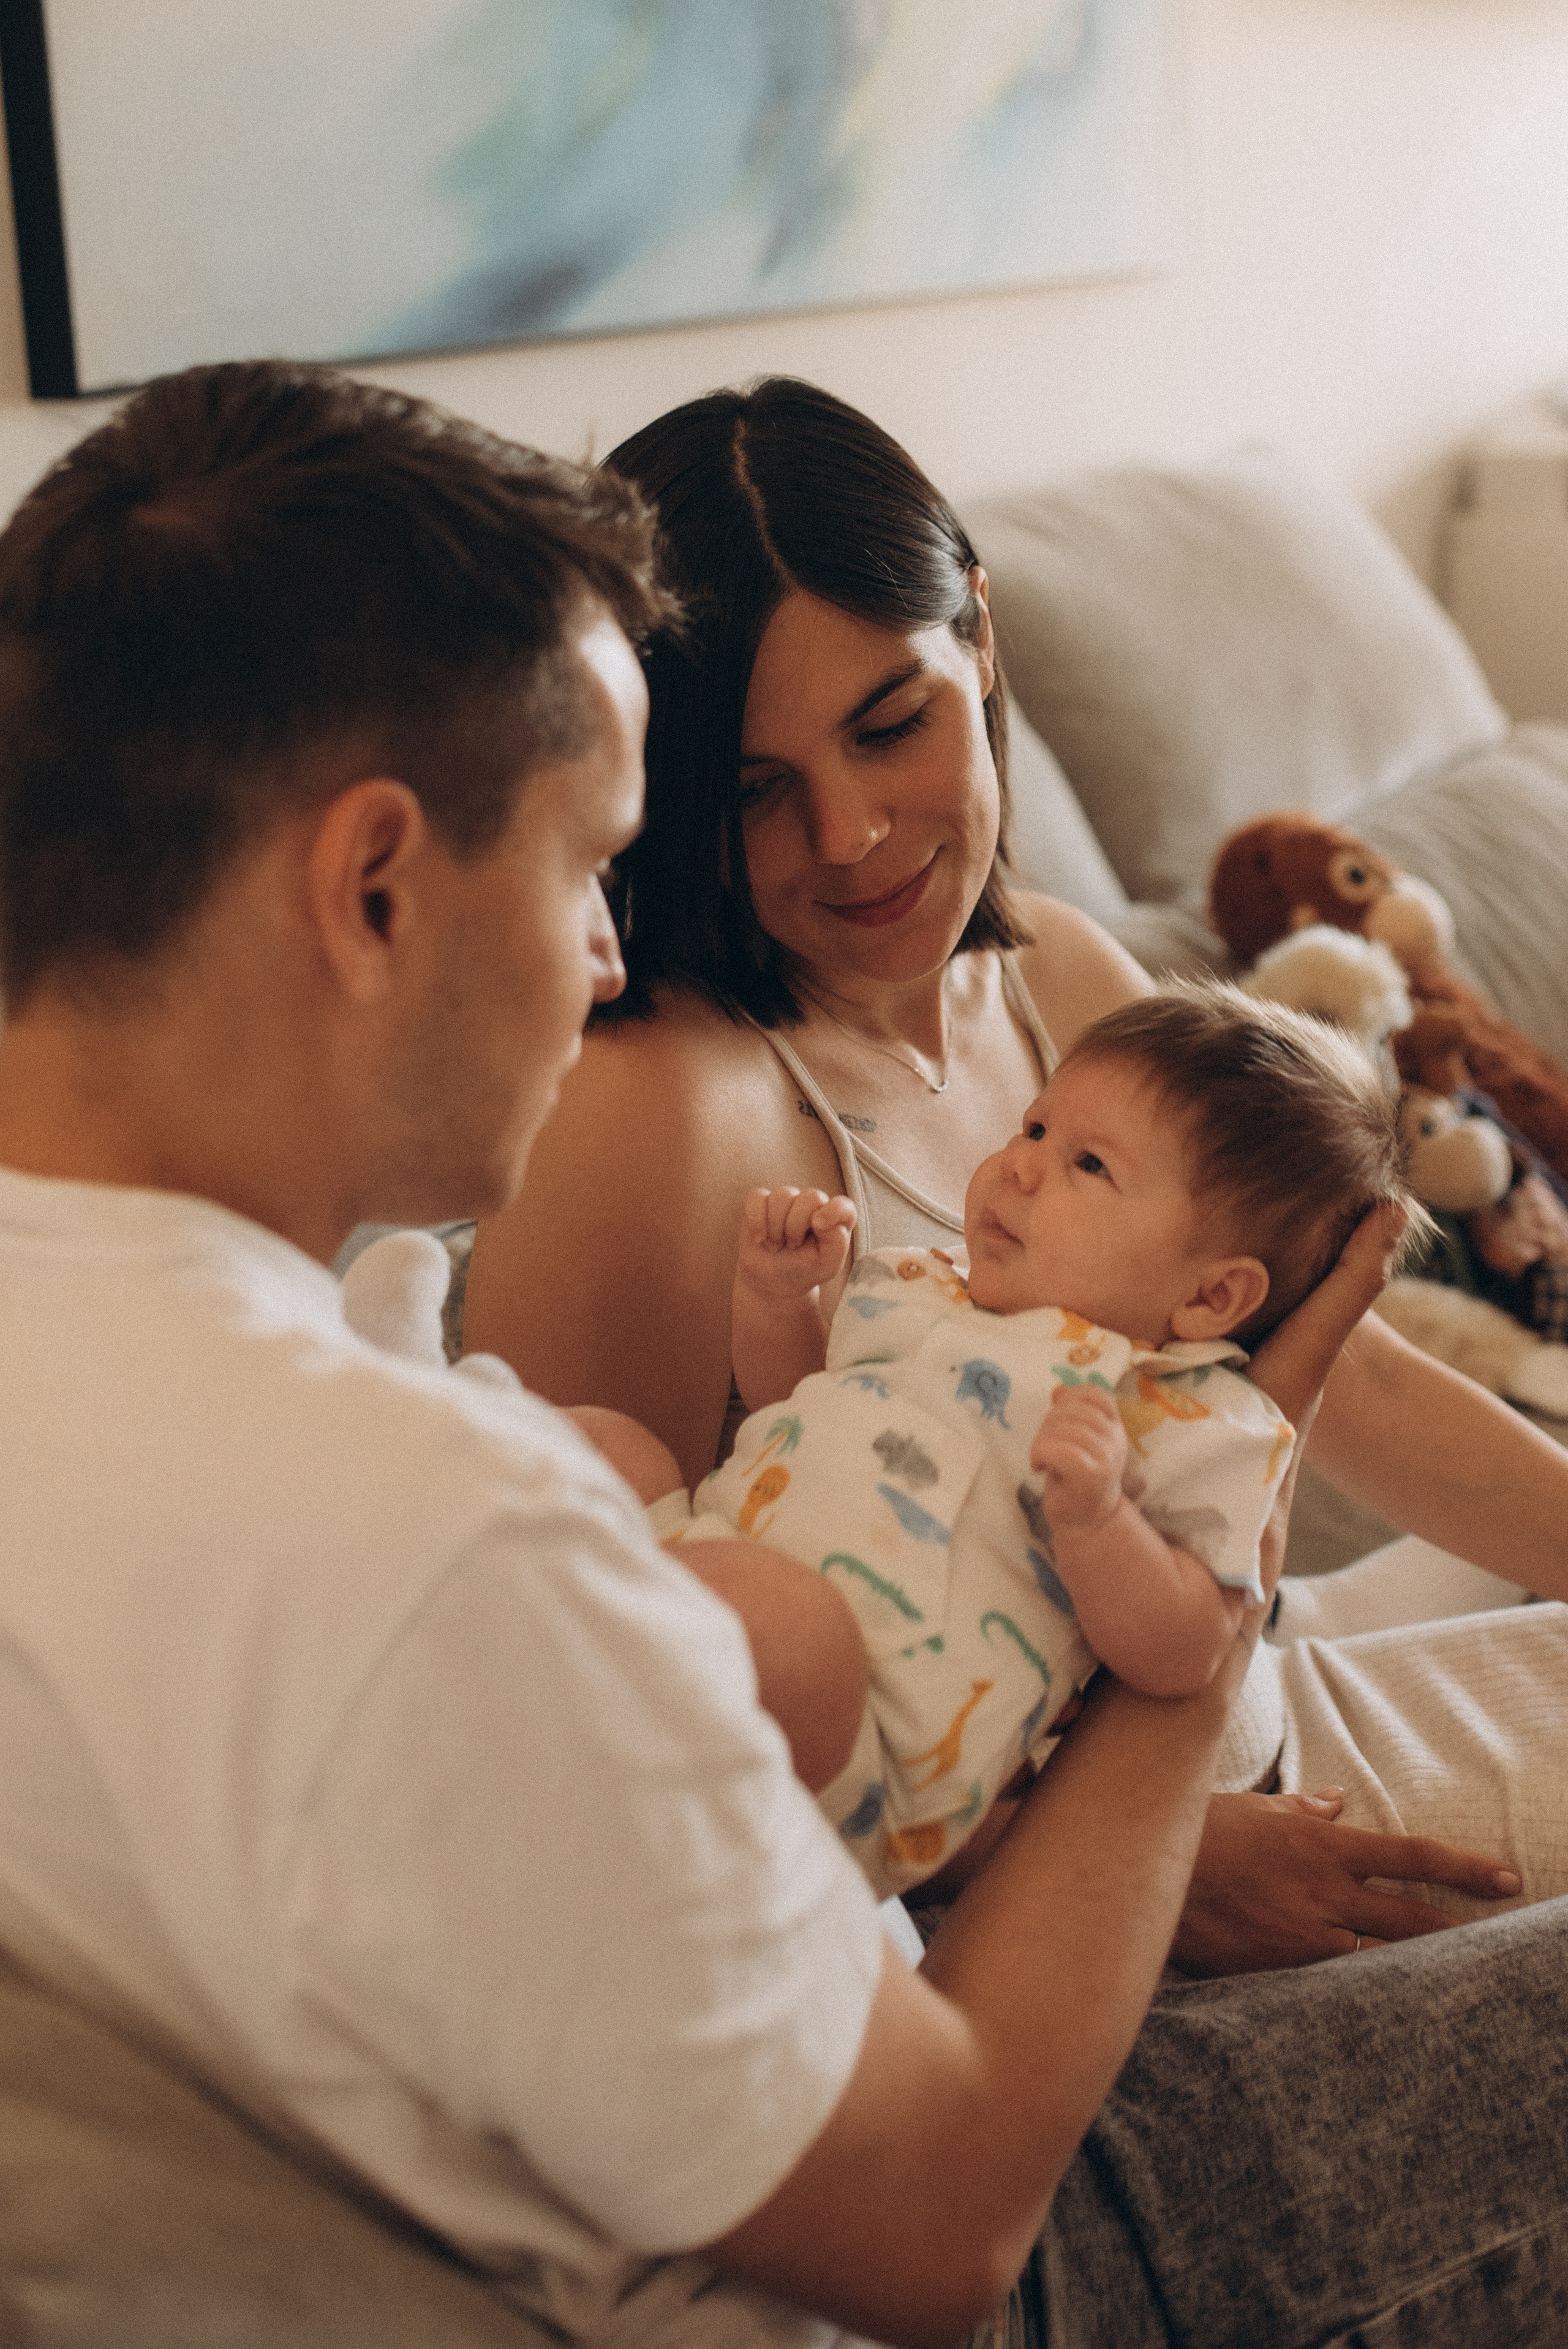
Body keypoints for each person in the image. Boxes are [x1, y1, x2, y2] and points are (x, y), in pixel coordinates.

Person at [3, 362, 1566, 2349]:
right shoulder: (441, 1536)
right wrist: (1226, 1512)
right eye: (593, 861)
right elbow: (938, 2220)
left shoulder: (219, 1379)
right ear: (374, 883)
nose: (599, 954)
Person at [465, 373, 1568, 1972]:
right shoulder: (653, 1113)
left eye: (890, 722)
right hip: (1105, 1877)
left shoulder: (1055, 968)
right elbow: (608, 1684)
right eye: (757, 790)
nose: (848, 838)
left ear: (980, 638)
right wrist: (1139, 1863)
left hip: (1247, 1682)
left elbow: (1347, 1381)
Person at [646, 987, 1412, 1901]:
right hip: (722, 1575)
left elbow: (1190, 1650)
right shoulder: (923, 1288)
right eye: (1035, 1128)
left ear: (1212, 1298)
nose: (1019, 1166)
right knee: (606, 1447)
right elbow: (797, 1408)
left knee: (791, 1629)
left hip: (862, 1745)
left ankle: (594, 1655)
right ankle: (580, 1652)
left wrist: (1100, 1521)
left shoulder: (1185, 1414)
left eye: (1088, 1163)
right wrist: (778, 1301)